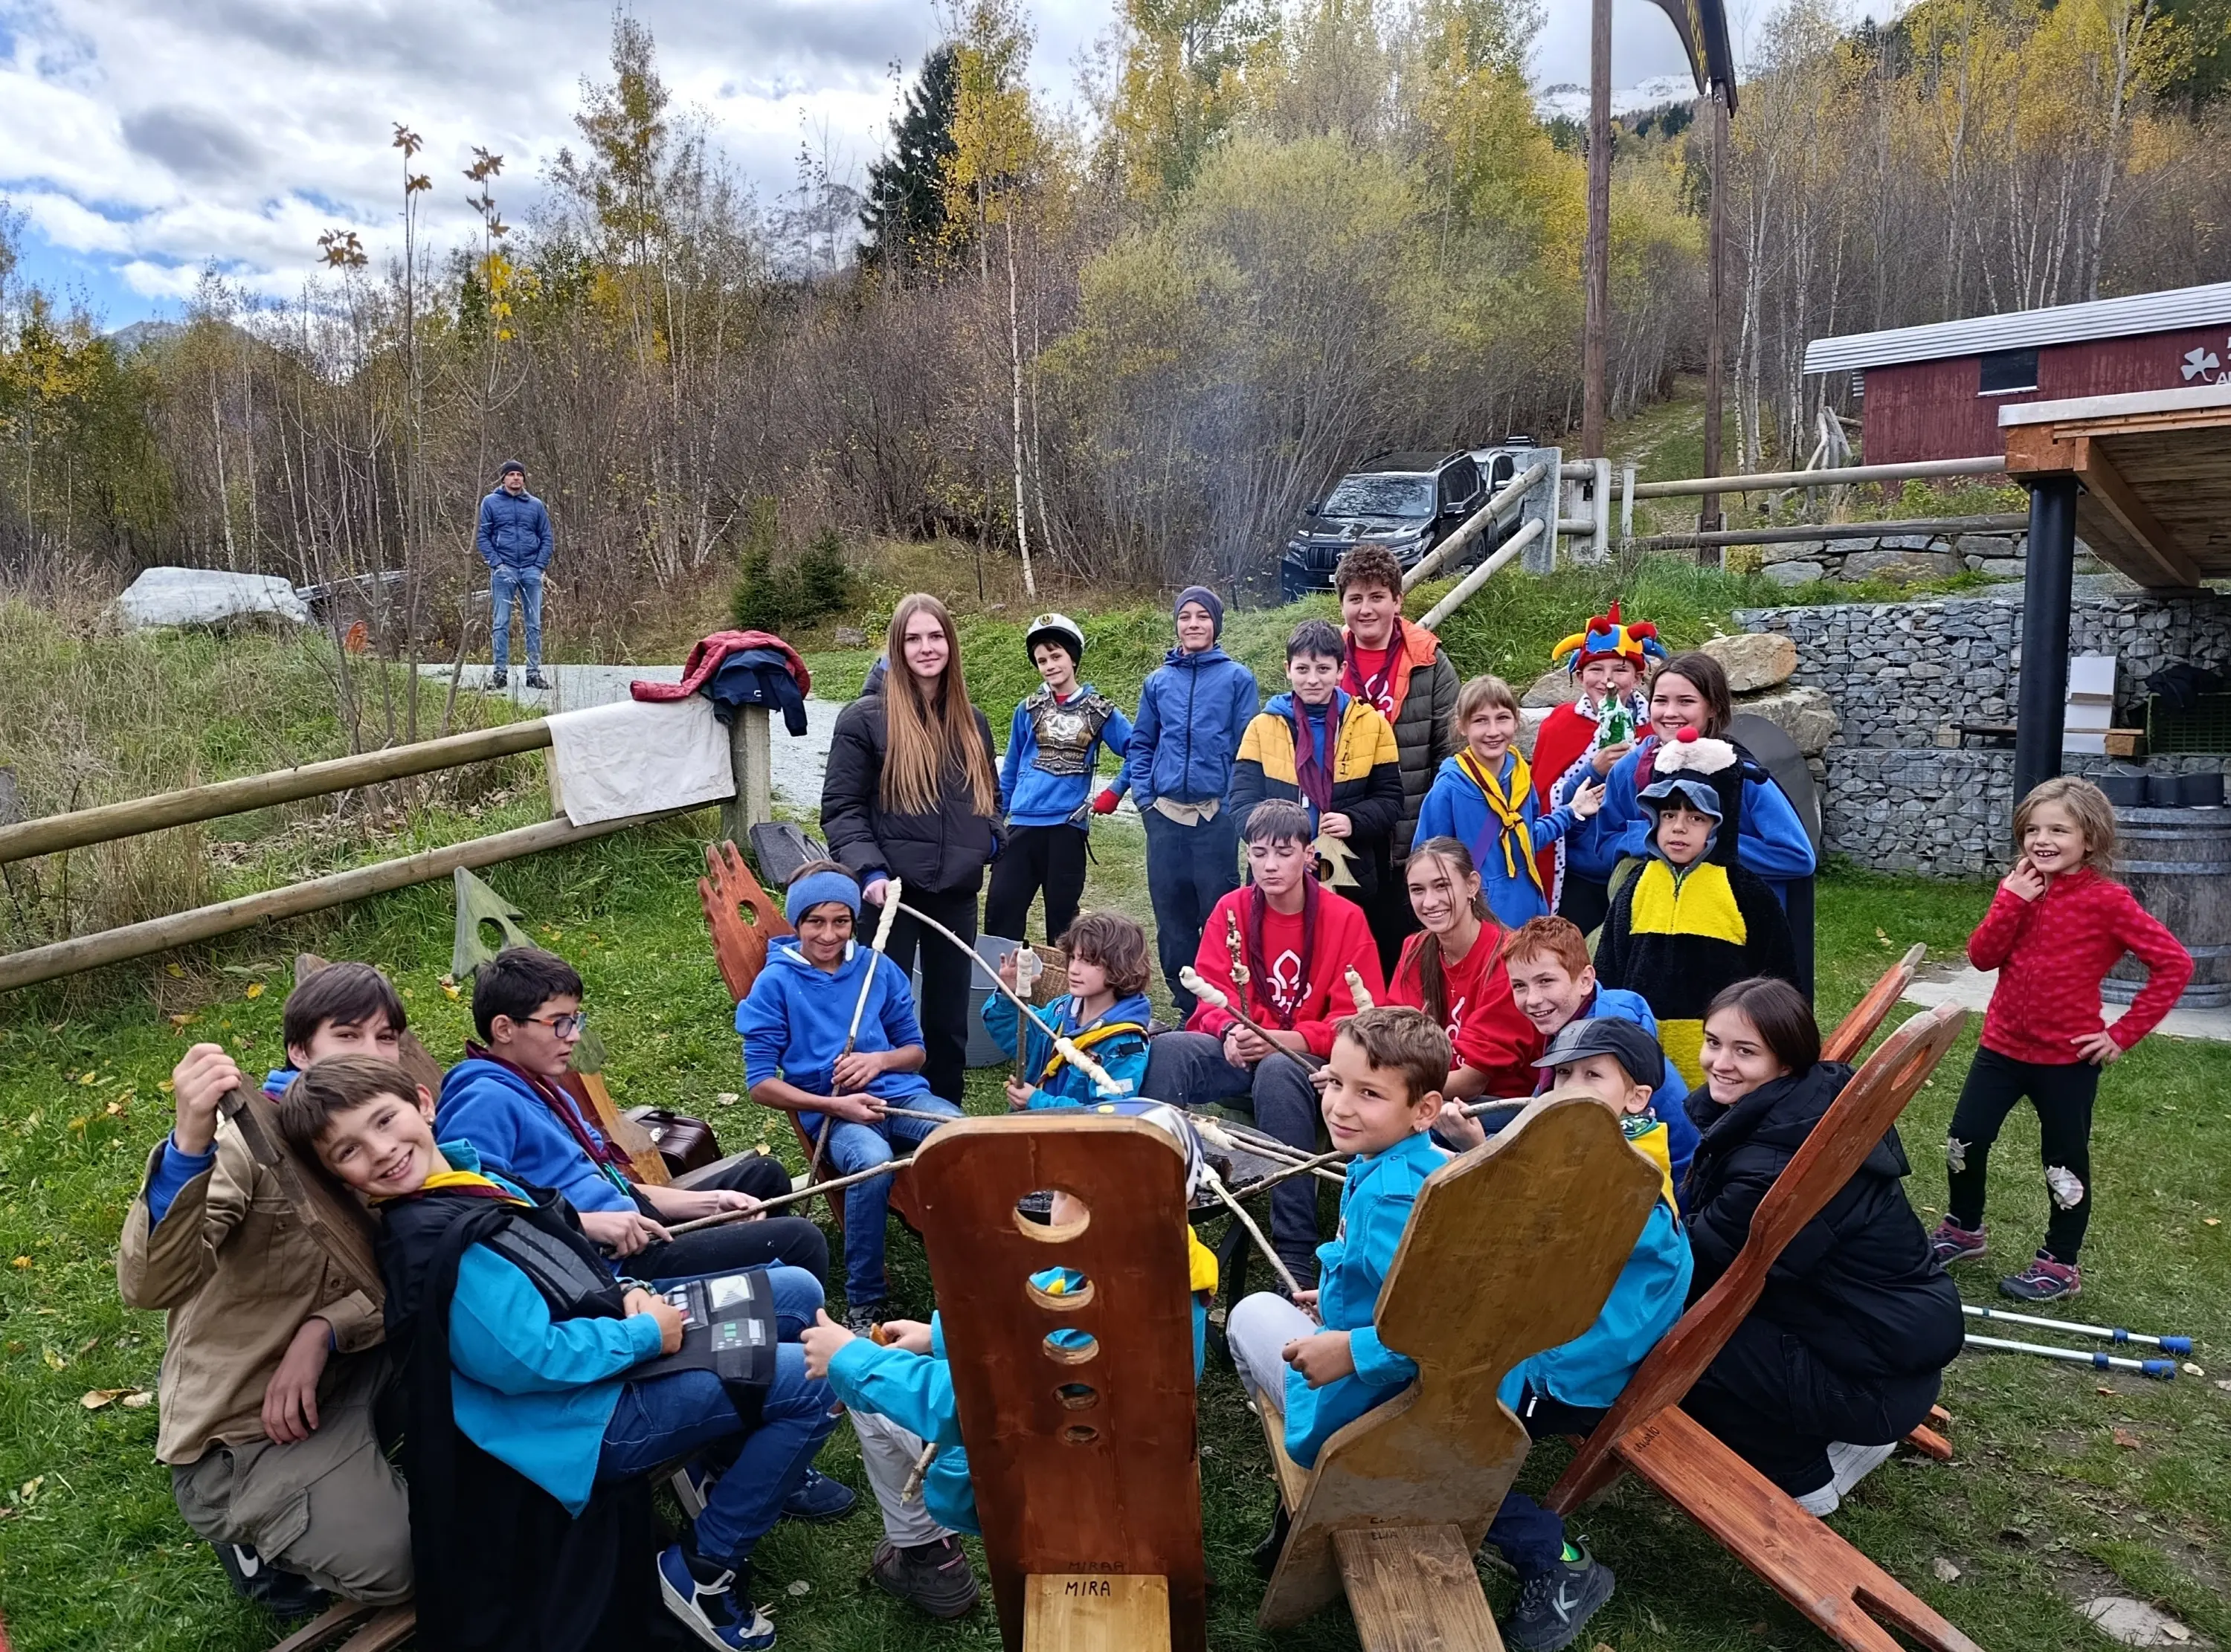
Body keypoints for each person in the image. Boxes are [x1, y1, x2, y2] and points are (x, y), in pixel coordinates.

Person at [282, 1057, 840, 1651]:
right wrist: (646, 1336)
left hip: (610, 1349)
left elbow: (569, 1264)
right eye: (349, 1150)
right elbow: (527, 1362)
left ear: (423, 1102)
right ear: (339, 1175)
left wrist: (631, 1293)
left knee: (795, 1292)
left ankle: (736, 1466)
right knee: (818, 1382)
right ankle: (704, 1569)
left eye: (384, 1120)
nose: (382, 1151)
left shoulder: (473, 1177)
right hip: (584, 1420)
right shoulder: (436, 1246)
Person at [798, 1103, 1218, 1619]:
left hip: (1042, 1487)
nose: (1053, 1204)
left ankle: (927, 1558)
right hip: (1139, 1476)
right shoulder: (1170, 1267)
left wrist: (851, 1360)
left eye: (1064, 1193)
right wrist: (937, 1336)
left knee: (872, 1408)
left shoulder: (1085, 1314)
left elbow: (974, 1409)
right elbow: (1024, 1324)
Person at [118, 966, 415, 1619]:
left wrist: (325, 1329)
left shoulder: (388, 1135)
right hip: (252, 1426)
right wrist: (188, 1147)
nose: (371, 1054)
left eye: (386, 1037)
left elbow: (421, 1266)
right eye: (347, 1036)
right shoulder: (246, 1149)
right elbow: (151, 1284)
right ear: (300, 1052)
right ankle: (253, 1534)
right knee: (403, 1563)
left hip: (356, 1368)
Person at [1432, 1016, 1693, 1652]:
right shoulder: (1603, 1154)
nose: (1571, 1089)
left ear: (1637, 1097)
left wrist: (1474, 1158)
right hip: (1548, 1348)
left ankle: (1559, 1563)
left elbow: (1527, 1244)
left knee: (1438, 1449)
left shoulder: (1629, 1184)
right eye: (1564, 1075)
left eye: (1592, 1076)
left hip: (1567, 1373)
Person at [1679, 979, 1962, 1517]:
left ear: (1786, 1062)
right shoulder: (1813, 1108)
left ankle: (1801, 1477)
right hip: (1894, 1352)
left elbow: (1693, 1265)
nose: (1720, 1063)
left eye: (1745, 1051)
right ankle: (1843, 1438)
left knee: (1672, 1338)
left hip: (1875, 1385)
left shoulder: (1774, 1165)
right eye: (1713, 1042)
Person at [1928, 776, 2192, 1303]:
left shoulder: (2108, 902)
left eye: (2058, 830)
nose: (2042, 840)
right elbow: (1982, 957)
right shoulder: (2018, 888)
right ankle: (1964, 1230)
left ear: (2089, 840)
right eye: (2032, 829)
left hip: (2066, 1062)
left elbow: (2174, 964)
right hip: (2001, 1050)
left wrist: (2121, 1034)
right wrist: (2011, 901)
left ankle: (2060, 1263)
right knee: (1965, 1140)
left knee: (2063, 1163)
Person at [437, 947, 836, 1291]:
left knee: (763, 1177)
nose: (573, 1035)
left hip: (636, 1225)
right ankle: (768, 1321)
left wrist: (712, 1203)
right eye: (559, 1022)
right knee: (799, 1241)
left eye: (575, 1020)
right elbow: (476, 1209)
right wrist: (590, 1224)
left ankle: (756, 1293)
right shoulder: (483, 1099)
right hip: (610, 1264)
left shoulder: (541, 1088)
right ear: (504, 1028)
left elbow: (613, 1185)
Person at [1223, 1009, 1446, 1560]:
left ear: (1424, 1110)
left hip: (1376, 1403)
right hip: (1394, 1382)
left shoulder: (1390, 1196)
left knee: (1248, 1314)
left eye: (1369, 1093)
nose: (1341, 1106)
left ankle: (1305, 1481)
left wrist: (1350, 1349)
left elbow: (1439, 1324)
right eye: (1336, 1082)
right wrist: (1335, 1298)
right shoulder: (1420, 1166)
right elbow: (1396, 1283)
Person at [1143, 799, 1385, 1285]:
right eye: (1259, 854)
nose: (1270, 865)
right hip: (1240, 1046)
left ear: (1309, 856)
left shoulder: (1345, 919)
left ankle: (1293, 1250)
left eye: (1283, 852)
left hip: (1307, 1059)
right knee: (1168, 1050)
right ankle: (1147, 1203)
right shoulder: (1231, 909)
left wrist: (1285, 1041)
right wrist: (1230, 1031)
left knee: (1278, 1072)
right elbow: (1207, 993)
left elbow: (1361, 1019)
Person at [735, 863, 963, 1329]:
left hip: (899, 1096)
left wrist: (878, 1061)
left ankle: (980, 1259)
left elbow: (915, 1051)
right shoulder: (776, 983)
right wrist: (834, 1105)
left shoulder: (876, 967)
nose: (829, 935)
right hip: (835, 1114)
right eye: (815, 921)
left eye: (841, 921)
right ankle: (865, 1298)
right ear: (797, 921)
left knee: (963, 1135)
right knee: (872, 1162)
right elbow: (760, 1083)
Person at [822, 593, 1002, 1107]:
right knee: (882, 1015)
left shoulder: (973, 722)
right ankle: (883, 1114)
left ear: (951, 644)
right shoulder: (864, 720)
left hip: (956, 894)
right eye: (913, 638)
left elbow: (992, 798)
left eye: (936, 636)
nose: (927, 648)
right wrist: (870, 871)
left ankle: (944, 1119)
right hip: (890, 896)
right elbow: (842, 809)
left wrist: (989, 840)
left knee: (948, 1021)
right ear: (897, 649)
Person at [1594, 732, 1797, 1087]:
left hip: (1724, 1060)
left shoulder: (1748, 894)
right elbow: (1609, 967)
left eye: (1696, 818)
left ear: (1718, 823)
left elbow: (1779, 981)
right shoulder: (1636, 886)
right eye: (1669, 814)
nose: (1678, 827)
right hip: (1642, 1052)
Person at [1566, 651, 1815, 911]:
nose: (1670, 713)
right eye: (1660, 701)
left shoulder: (1740, 774)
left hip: (1731, 918)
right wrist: (1650, 838)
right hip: (1656, 916)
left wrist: (1708, 843)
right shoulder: (1629, 769)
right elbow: (1607, 842)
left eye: (1686, 701)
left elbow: (1796, 857)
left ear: (1713, 708)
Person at [1121, 586, 1261, 1017]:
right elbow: (1141, 744)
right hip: (1164, 819)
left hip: (1214, 819)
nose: (1194, 624)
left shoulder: (1237, 679)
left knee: (1220, 917)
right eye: (1186, 617)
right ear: (1177, 624)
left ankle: (1220, 1007)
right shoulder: (1158, 682)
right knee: (1173, 921)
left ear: (1216, 624)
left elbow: (1245, 748)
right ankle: (1186, 1007)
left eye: (1203, 616)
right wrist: (1145, 800)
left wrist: (1231, 806)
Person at [1230, 619, 1405, 952]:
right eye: (1303, 669)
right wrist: (1283, 843)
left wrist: (1353, 821)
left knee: (1342, 956)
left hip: (1350, 870)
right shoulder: (1262, 727)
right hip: (1278, 867)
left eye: (1323, 669)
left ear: (1341, 671)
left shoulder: (1372, 725)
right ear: (1288, 669)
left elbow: (1391, 799)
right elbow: (1241, 801)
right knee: (1282, 955)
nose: (1312, 679)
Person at [1334, 546, 1463, 970]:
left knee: (1404, 959)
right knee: (1346, 958)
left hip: (1408, 840)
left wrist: (1434, 836)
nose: (1366, 609)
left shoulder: (1430, 662)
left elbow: (1451, 753)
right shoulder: (1325, 662)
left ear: (1398, 600)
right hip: (1343, 838)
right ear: (1342, 604)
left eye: (1377, 597)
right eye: (1355, 598)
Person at [1500, 915, 1696, 1192]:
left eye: (1545, 981)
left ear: (1585, 980)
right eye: (1520, 986)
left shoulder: (1608, 1040)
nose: (1532, 999)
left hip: (1663, 1191)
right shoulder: (1571, 1021)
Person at [985, 613, 1133, 947]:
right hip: (1021, 826)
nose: (1050, 666)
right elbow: (1011, 768)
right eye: (1042, 660)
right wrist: (996, 820)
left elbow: (1139, 749)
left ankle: (1066, 980)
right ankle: (999, 978)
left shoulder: (1099, 710)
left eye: (1056, 656)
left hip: (1066, 829)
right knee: (1001, 910)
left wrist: (1115, 791)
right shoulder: (1027, 709)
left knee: (1063, 922)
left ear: (1073, 658)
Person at [1414, 675, 1606, 930]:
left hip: (1528, 912)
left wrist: (1572, 811)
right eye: (1480, 721)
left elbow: (1527, 838)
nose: (1493, 731)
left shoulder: (1520, 777)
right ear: (1462, 726)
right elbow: (1426, 863)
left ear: (1516, 721)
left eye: (1502, 718)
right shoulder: (1449, 788)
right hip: (1477, 921)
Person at [1530, 603, 1666, 930]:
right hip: (1579, 876)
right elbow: (1541, 803)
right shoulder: (1559, 726)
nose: (1607, 681)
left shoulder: (1657, 726)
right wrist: (1593, 771)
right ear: (1580, 677)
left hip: (1642, 870)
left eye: (1620, 670)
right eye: (1596, 669)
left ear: (1638, 676)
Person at [1382, 836, 1538, 1101]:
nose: (1429, 902)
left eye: (1442, 886)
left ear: (1471, 885)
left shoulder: (1508, 957)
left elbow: (1471, 1082)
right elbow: (1394, 1042)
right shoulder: (1415, 948)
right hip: (1426, 1092)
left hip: (1498, 1103)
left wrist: (1384, 1090)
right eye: (1418, 890)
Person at [983, 909, 1154, 1109]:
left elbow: (1108, 1114)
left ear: (1121, 966)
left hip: (1063, 1130)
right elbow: (1023, 1040)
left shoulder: (1124, 1045)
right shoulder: (1063, 1008)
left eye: (1088, 961)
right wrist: (1008, 996)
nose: (1073, 969)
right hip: (1031, 1125)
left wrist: (1036, 1101)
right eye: (1073, 957)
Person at [474, 459, 553, 691]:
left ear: (524, 479)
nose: (516, 478)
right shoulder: (490, 502)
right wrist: (497, 564)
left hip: (531, 569)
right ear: (503, 478)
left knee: (534, 624)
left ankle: (533, 674)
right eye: (511, 474)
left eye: (519, 474)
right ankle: (499, 674)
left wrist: (539, 566)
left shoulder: (535, 505)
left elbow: (547, 537)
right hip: (504, 569)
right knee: (501, 623)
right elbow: (483, 536)